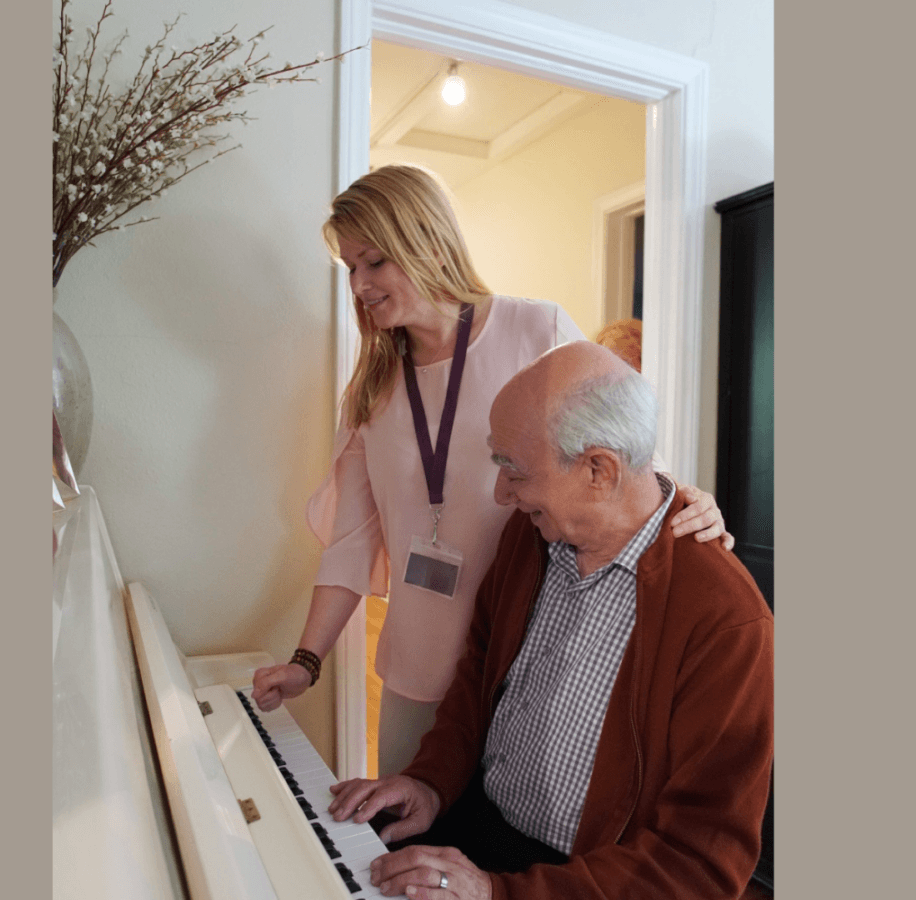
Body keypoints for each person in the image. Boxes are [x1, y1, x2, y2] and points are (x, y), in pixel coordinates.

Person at [252, 164, 733, 776]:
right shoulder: (371, 388)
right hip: (417, 667)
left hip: (530, 658)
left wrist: (685, 499)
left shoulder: (536, 328)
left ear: (428, 242)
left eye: (373, 261)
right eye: (350, 267)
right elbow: (350, 541)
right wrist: (306, 661)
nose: (359, 285)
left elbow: (624, 458)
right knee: (406, 823)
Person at [327, 340, 774, 900]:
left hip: (587, 880)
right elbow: (478, 678)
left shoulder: (726, 620)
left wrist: (496, 893)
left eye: (513, 470)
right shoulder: (531, 537)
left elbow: (698, 866)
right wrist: (431, 783)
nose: (501, 494)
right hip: (478, 827)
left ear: (598, 470)